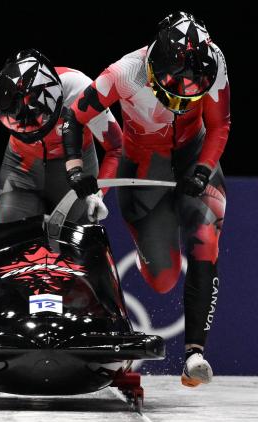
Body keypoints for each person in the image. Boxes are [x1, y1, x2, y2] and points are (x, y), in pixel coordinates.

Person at [61, 11, 230, 387]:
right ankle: (148, 251)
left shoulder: (214, 61)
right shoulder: (124, 73)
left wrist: (203, 169)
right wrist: (75, 168)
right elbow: (74, 118)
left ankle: (194, 354)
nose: (181, 105)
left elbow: (220, 124)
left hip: (194, 153)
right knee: (163, 278)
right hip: (144, 166)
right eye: (173, 96)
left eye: (191, 99)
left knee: (206, 239)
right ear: (154, 72)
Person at [0, 48, 122, 223]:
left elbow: (117, 147)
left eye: (37, 121)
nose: (32, 132)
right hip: (21, 170)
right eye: (21, 124)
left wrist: (98, 194)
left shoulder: (80, 89)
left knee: (82, 245)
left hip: (75, 168)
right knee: (9, 237)